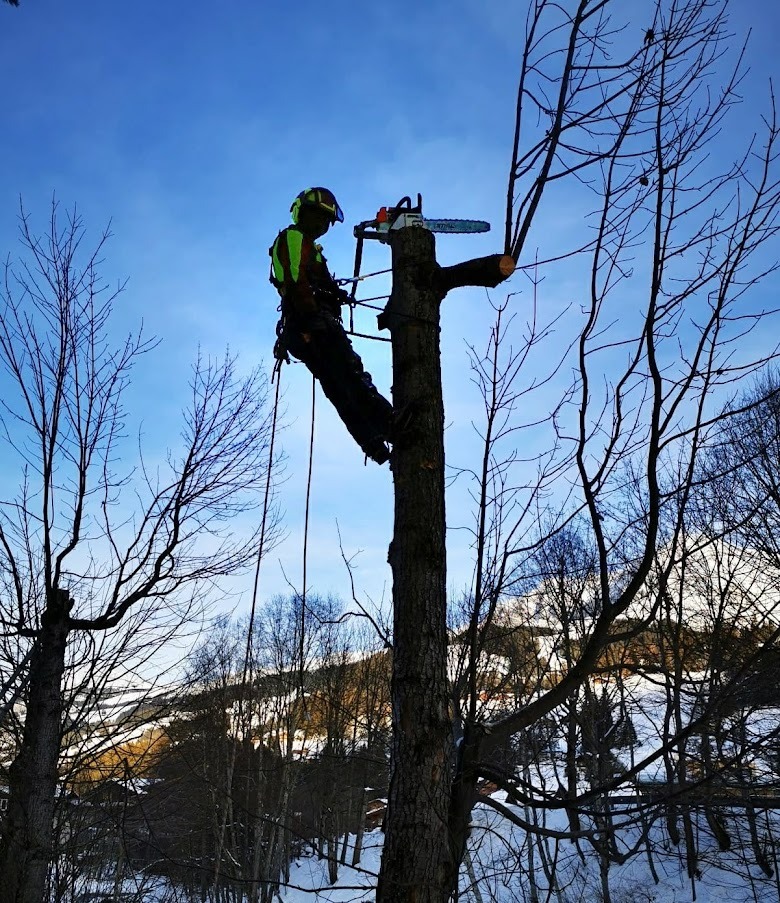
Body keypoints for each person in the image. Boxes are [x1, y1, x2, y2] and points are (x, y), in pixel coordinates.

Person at [269, 187, 395, 465]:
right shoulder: (292, 237)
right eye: (322, 219)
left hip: (305, 324)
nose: (324, 226)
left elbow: (310, 281)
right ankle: (391, 424)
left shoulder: (308, 246)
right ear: (308, 214)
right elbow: (294, 279)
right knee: (350, 373)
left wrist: (333, 293)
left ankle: (374, 443)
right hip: (310, 322)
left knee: (339, 386)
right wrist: (312, 319)